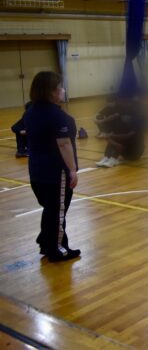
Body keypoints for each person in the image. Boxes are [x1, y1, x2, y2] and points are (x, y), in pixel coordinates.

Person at [23, 71, 80, 262]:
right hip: (55, 173)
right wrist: (72, 170)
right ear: (51, 91)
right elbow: (64, 144)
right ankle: (57, 249)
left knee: (50, 208)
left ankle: (45, 242)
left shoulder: (30, 111)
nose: (63, 90)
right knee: (57, 211)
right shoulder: (57, 116)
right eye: (60, 87)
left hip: (36, 171)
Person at [96, 95, 147, 168]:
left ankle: (114, 158)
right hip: (126, 148)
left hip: (135, 152)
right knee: (114, 139)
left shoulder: (136, 121)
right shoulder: (123, 116)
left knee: (117, 139)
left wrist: (110, 137)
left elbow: (127, 136)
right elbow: (115, 116)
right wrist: (109, 136)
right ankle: (107, 157)